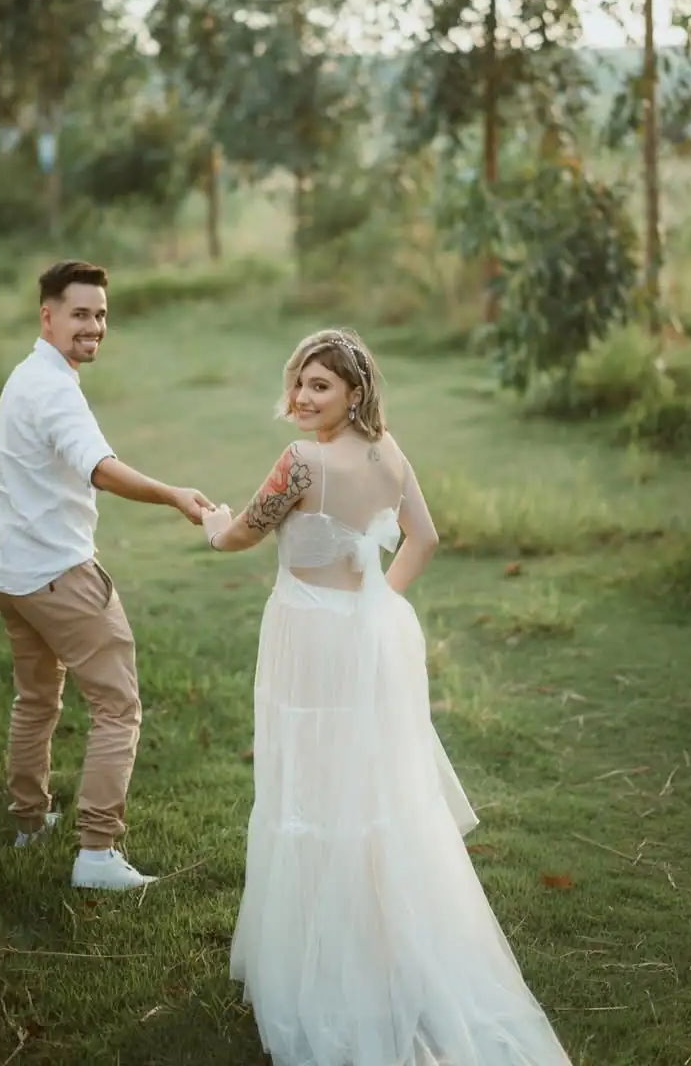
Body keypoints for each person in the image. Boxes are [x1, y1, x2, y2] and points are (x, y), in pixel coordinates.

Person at [201, 327, 572, 1066]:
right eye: (299, 382)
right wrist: (375, 602)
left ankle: (326, 956)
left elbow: (243, 534)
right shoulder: (388, 452)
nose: (303, 397)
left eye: (320, 385)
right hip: (368, 636)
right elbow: (423, 539)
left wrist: (212, 526)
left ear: (355, 392)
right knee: (369, 784)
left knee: (312, 783)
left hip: (309, 635)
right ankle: (376, 934)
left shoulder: (300, 462)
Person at [0, 259, 212, 891]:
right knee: (118, 707)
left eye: (102, 315)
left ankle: (29, 822)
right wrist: (173, 495)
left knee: (36, 700)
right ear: (48, 317)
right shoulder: (54, 390)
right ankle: (96, 853)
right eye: (80, 314)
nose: (94, 327)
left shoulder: (27, 375)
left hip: (12, 574)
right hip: (59, 574)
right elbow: (100, 468)